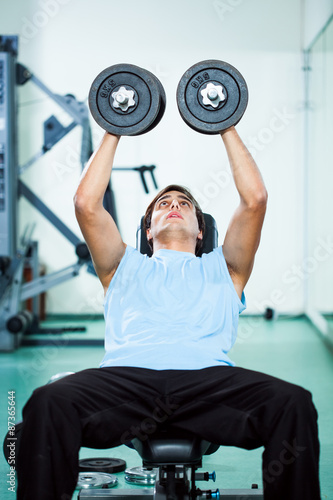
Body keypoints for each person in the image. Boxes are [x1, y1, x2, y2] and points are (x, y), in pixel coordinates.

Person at [17, 127, 320, 500]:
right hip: (126, 382)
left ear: (199, 231)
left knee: (294, 403)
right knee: (47, 402)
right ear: (148, 232)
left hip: (206, 384)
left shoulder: (226, 268)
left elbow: (255, 199)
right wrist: (114, 129)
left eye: (184, 203)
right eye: (163, 204)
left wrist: (225, 125)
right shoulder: (120, 265)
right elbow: (86, 204)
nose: (173, 205)